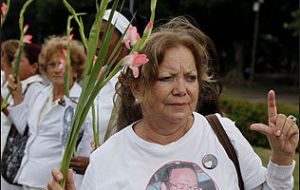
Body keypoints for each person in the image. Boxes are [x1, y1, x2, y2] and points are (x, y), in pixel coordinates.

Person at [47, 17, 299, 190]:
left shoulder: (222, 134)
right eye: (167, 78)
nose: (182, 90)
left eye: (190, 78)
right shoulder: (105, 159)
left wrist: (281, 157)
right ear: (136, 87)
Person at [7, 36, 93, 190]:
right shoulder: (40, 94)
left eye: (64, 64)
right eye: (52, 64)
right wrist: (17, 96)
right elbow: (25, 129)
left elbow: (86, 145)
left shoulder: (80, 103)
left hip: (53, 181)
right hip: (28, 175)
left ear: (76, 70)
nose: (57, 69)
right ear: (46, 69)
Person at [69, 8, 145, 176]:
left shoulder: (133, 84)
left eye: (102, 37)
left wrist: (96, 164)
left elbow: (140, 142)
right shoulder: (95, 80)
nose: (95, 44)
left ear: (125, 42)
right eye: (94, 36)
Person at [1, 41, 45, 190]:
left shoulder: (36, 90)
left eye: (19, 60)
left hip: (22, 162)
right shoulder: (24, 86)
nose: (13, 64)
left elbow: (24, 128)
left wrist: (9, 101)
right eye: (13, 59)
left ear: (34, 67)